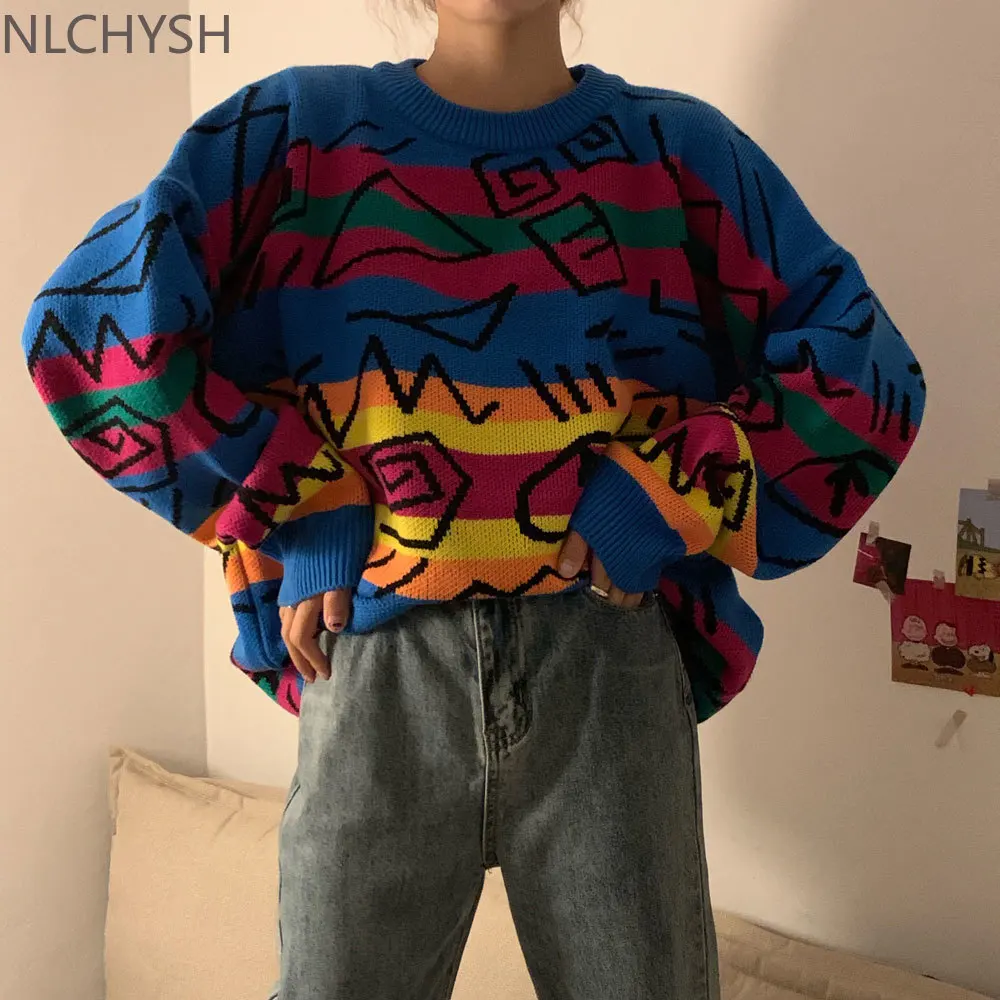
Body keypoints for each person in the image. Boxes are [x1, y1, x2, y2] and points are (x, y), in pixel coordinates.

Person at [20, 0, 925, 996]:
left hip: (608, 671)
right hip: (376, 670)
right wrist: (302, 499)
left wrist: (663, 493)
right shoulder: (293, 136)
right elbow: (94, 331)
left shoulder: (683, 156)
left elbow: (864, 370)